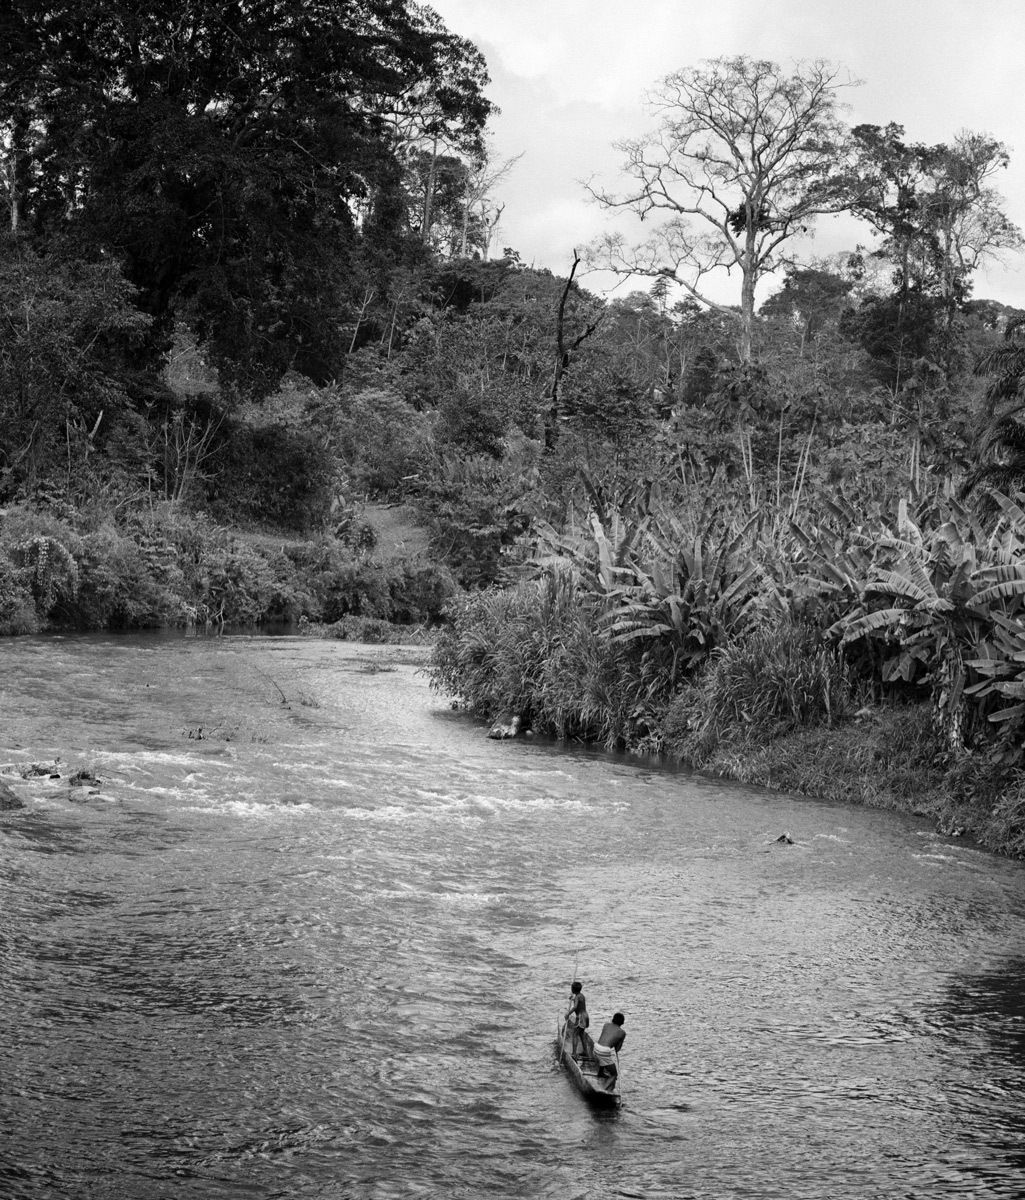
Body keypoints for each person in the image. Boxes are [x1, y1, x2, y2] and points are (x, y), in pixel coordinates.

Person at [592, 1013, 626, 1089]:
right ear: (622, 1022)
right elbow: (617, 1049)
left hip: (595, 1047)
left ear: (613, 1019)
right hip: (603, 1052)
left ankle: (600, 1073)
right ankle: (603, 1089)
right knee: (614, 1074)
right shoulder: (622, 1033)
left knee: (604, 1058)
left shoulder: (606, 1025)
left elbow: (604, 1037)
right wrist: (616, 1042)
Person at [565, 981, 589, 1058]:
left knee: (575, 1034)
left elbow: (575, 1007)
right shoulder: (581, 995)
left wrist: (568, 1014)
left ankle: (574, 1054)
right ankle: (585, 1052)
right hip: (585, 1016)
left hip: (580, 1017)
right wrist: (572, 999)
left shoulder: (577, 997)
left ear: (573, 989)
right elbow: (578, 1002)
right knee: (581, 1035)